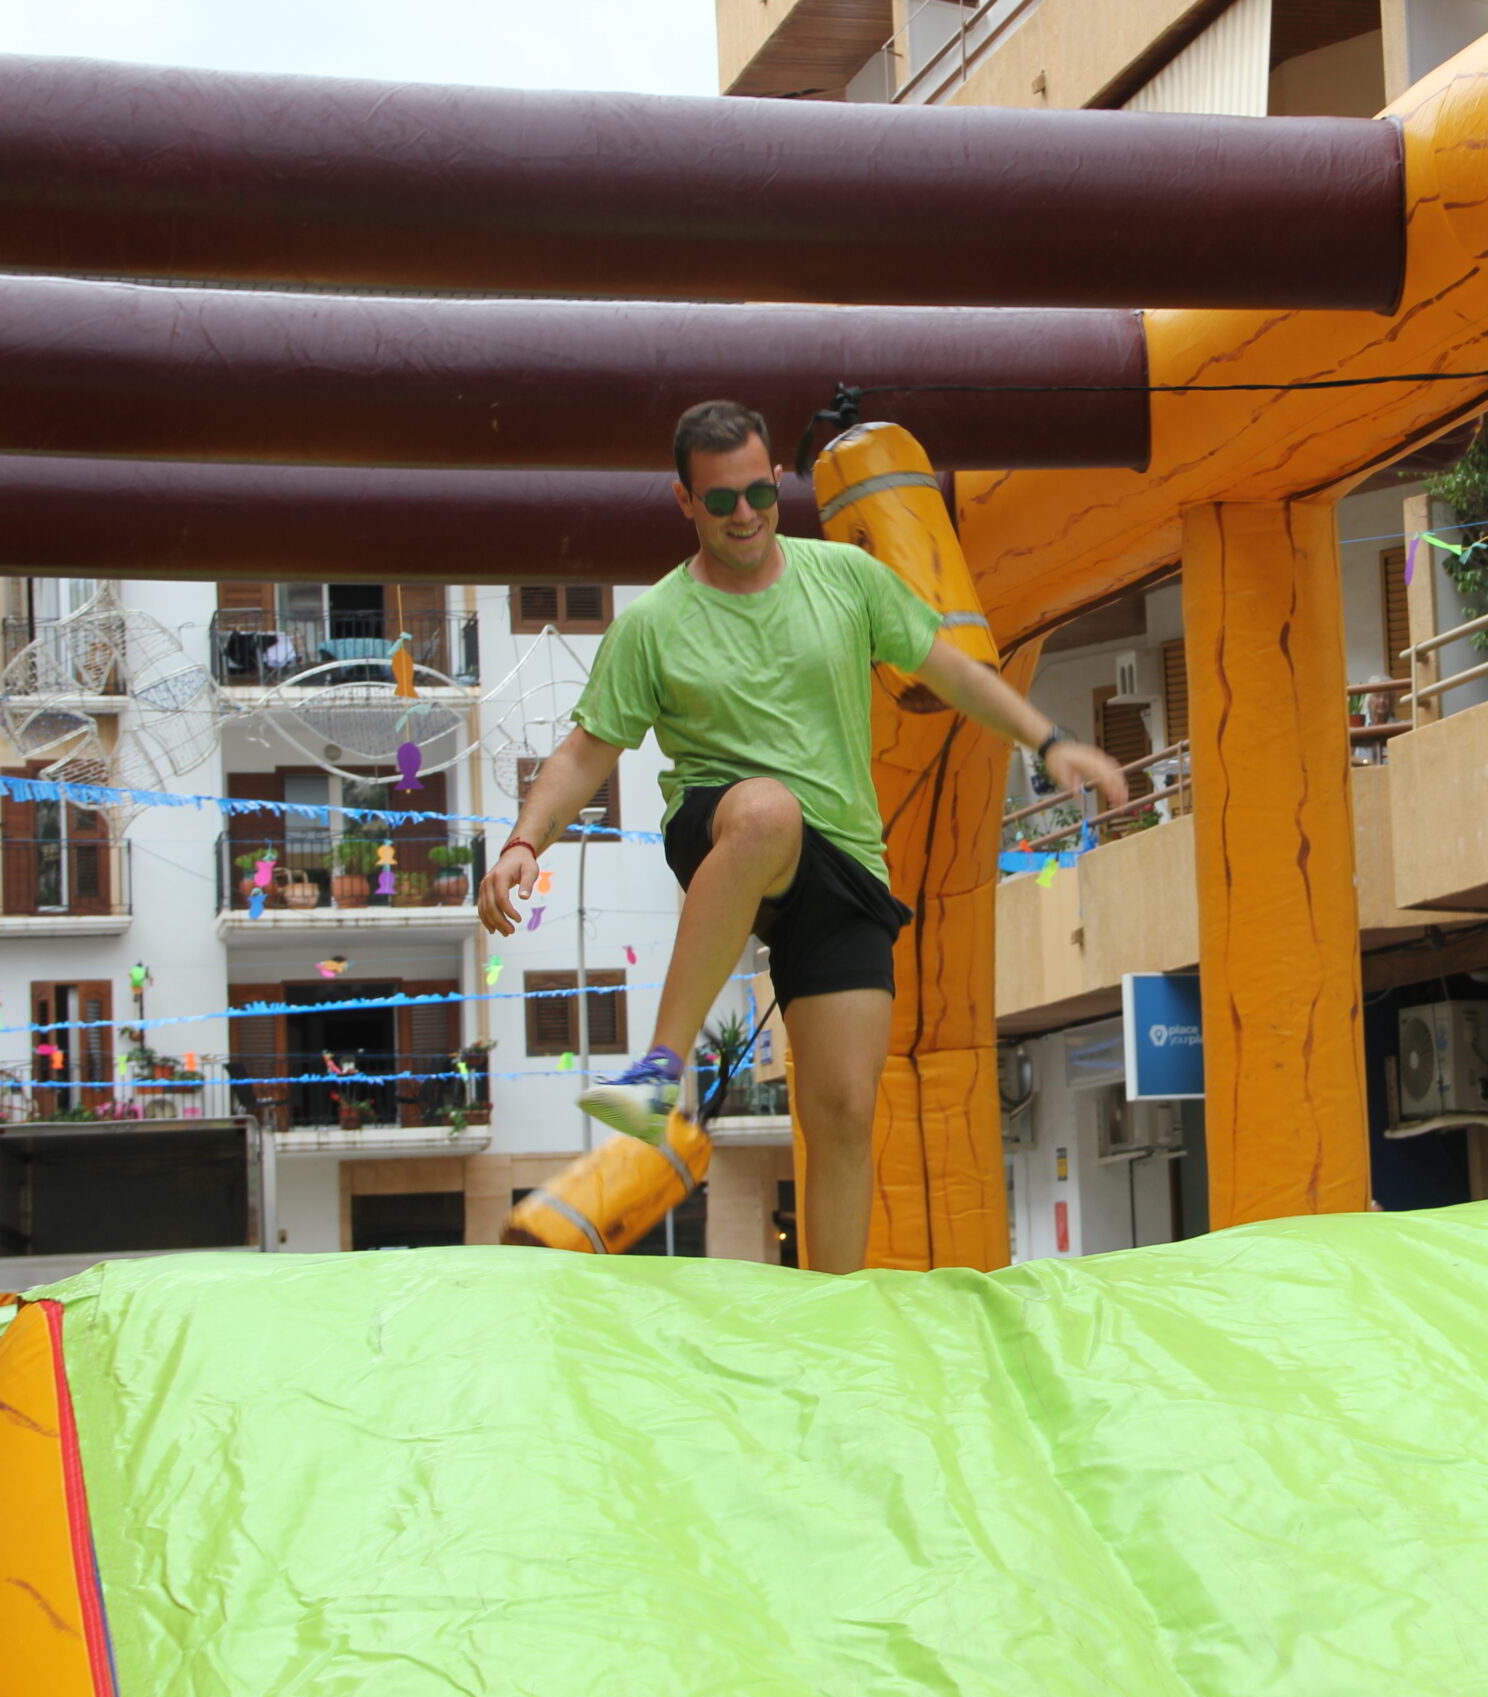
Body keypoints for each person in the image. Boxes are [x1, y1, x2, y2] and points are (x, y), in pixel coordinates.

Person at [481, 400, 1127, 1274]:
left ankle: (836, 1308)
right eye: (720, 501)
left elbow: (950, 669)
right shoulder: (653, 623)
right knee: (766, 813)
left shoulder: (845, 579)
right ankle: (657, 1075)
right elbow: (581, 754)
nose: (744, 514)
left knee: (846, 1107)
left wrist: (1051, 742)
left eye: (759, 492)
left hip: (845, 859)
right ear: (684, 502)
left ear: (777, 482)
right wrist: (525, 841)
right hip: (722, 822)